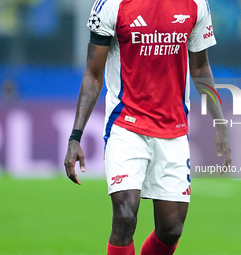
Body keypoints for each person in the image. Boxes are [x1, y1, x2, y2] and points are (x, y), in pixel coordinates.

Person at [64, 0, 231, 254]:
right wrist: (75, 137)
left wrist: (220, 123)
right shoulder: (111, 4)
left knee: (171, 229)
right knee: (125, 214)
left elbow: (200, 67)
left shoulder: (196, 4)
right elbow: (93, 74)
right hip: (126, 126)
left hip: (173, 129)